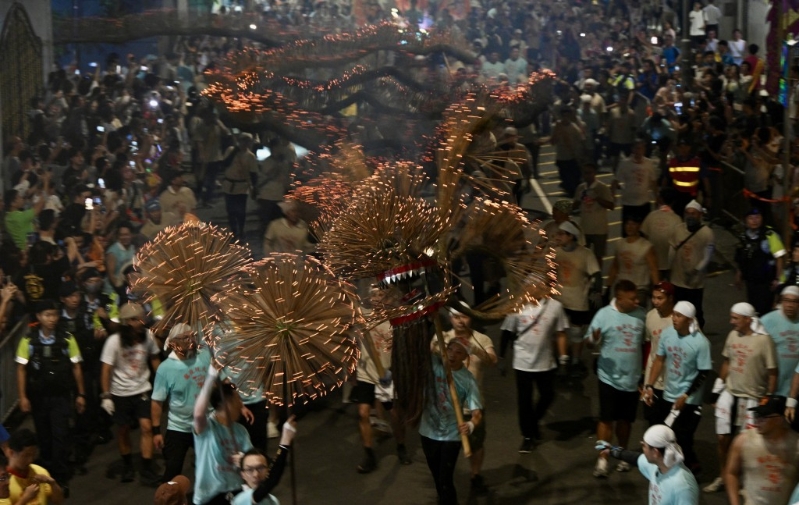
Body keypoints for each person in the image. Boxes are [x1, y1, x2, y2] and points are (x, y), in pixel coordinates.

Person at [704, 302, 778, 493]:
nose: (731, 322)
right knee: (722, 438)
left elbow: (772, 372)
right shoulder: (732, 335)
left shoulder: (764, 341)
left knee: (748, 442)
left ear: (748, 319)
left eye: (735, 318)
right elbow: (727, 362)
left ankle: (745, 481)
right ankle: (723, 475)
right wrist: (716, 389)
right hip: (730, 392)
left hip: (753, 396)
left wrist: (768, 397)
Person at [15, 299, 86, 491]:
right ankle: (44, 474)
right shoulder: (29, 341)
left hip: (61, 396)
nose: (51, 319)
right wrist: (23, 397)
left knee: (61, 436)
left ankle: (60, 477)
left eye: (54, 314)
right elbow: (21, 369)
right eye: (47, 315)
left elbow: (76, 367)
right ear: (38, 317)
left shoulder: (67, 339)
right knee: (44, 437)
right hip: (39, 398)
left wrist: (81, 394)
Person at [585, 280, 647, 478]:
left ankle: (622, 454)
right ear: (619, 298)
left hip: (632, 379)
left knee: (625, 421)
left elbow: (648, 344)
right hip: (608, 378)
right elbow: (588, 342)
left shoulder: (642, 315)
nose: (637, 301)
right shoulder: (603, 315)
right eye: (632, 298)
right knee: (605, 420)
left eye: (637, 297)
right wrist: (594, 339)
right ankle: (602, 459)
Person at [434, 305, 496, 493]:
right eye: (455, 317)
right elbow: (432, 353)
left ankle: (475, 475)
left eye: (464, 317)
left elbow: (492, 360)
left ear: (470, 318)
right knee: (444, 447)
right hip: (447, 403)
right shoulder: (443, 337)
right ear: (450, 319)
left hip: (473, 404)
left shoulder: (482, 338)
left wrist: (474, 349)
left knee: (476, 444)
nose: (460, 321)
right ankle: (444, 482)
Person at [644, 301, 712, 472]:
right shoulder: (667, 335)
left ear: (689, 320)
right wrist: (649, 386)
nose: (674, 318)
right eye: (674, 314)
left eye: (679, 316)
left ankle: (691, 466)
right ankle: (674, 468)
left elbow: (703, 372)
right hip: (669, 394)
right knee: (668, 435)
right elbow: (659, 360)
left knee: (684, 436)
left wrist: (686, 395)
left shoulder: (700, 342)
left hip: (690, 399)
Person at [100, 302, 162, 484]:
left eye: (141, 318)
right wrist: (106, 396)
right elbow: (106, 369)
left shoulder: (148, 337)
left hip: (142, 388)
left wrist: (163, 382)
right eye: (135, 319)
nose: (140, 322)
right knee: (123, 429)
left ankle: (147, 468)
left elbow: (155, 358)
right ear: (126, 322)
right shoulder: (114, 341)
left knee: (146, 427)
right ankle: (127, 466)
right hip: (120, 392)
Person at [351, 289, 410, 474]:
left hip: (385, 374)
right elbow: (347, 307)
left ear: (389, 298)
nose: (376, 299)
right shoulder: (362, 315)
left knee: (393, 413)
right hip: (365, 374)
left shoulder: (394, 321)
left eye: (380, 295)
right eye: (373, 295)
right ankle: (369, 454)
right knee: (363, 413)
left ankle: (401, 445)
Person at [499, 295, 568, 453]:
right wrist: (501, 357)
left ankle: (533, 422)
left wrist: (564, 358)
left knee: (548, 394)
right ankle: (528, 437)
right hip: (523, 362)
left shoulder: (555, 306)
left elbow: (561, 333)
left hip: (546, 361)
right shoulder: (517, 305)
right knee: (525, 401)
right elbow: (507, 332)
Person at [419, 337, 482, 505]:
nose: (453, 355)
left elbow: (477, 414)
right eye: (450, 350)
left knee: (445, 479)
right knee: (437, 477)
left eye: (458, 352)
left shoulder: (468, 379)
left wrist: (470, 425)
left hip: (451, 435)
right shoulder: (434, 364)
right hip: (428, 431)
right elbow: (418, 351)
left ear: (465, 357)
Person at [152, 323, 212, 482]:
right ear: (174, 343)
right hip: (179, 427)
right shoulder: (166, 368)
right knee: (172, 470)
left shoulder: (203, 356)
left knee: (210, 467)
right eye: (186, 338)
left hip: (205, 425)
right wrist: (156, 431)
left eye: (192, 336)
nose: (191, 340)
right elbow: (157, 401)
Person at [192, 364, 253, 505]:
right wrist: (211, 376)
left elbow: (251, 458)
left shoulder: (240, 430)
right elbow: (198, 413)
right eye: (238, 400)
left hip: (235, 490)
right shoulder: (207, 427)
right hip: (209, 495)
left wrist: (244, 460)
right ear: (226, 403)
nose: (241, 405)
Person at [725, 396, 799, 505]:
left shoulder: (796, 444)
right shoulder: (743, 440)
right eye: (756, 415)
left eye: (763, 417)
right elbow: (731, 473)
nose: (757, 420)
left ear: (779, 419)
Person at [600, 424, 699, 505]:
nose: (641, 447)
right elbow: (636, 458)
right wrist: (612, 450)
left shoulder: (683, 487)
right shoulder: (658, 465)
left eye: (644, 445)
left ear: (655, 452)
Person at [554, 221, 601, 375]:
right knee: (559, 330)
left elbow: (596, 274)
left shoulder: (586, 254)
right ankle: (561, 358)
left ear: (571, 236)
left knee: (576, 332)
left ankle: (575, 360)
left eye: (562, 234)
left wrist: (596, 292)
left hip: (577, 300)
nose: (558, 236)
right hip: (559, 298)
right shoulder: (556, 252)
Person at [669, 200, 714, 328]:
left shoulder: (707, 233)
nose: (690, 216)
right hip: (678, 279)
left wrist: (696, 270)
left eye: (693, 213)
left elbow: (708, 256)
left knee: (696, 311)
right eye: (688, 213)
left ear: (700, 215)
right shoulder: (678, 229)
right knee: (677, 309)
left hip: (695, 283)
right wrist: (669, 267)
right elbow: (672, 249)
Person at [233, 418, 297, 505]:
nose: (256, 475)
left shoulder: (273, 501)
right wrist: (285, 442)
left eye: (260, 468)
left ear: (268, 470)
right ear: (242, 475)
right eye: (249, 470)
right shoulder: (241, 500)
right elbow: (272, 480)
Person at [735, 207, 786, 316]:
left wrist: (778, 279)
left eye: (757, 217)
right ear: (746, 220)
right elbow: (741, 258)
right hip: (751, 281)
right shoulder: (743, 237)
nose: (754, 220)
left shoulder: (770, 235)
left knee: (765, 311)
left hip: (766, 283)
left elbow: (779, 258)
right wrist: (739, 275)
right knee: (753, 310)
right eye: (751, 218)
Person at [643, 281, 676, 424]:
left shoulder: (681, 319)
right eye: (653, 297)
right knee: (652, 419)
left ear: (670, 298)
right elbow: (648, 345)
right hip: (654, 377)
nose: (655, 302)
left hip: (673, 379)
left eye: (660, 298)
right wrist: (644, 372)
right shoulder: (650, 316)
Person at [607, 216, 660, 304]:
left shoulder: (646, 246)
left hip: (639, 289)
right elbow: (615, 266)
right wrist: (608, 285)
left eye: (633, 224)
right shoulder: (620, 244)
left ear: (639, 226)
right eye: (628, 224)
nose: (630, 227)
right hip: (622, 288)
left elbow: (653, 269)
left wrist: (656, 289)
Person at [6, 429, 65, 505]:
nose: (30, 460)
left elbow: (58, 501)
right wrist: (25, 499)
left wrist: (53, 483)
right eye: (26, 455)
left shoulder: (39, 471)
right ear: (11, 453)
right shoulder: (3, 483)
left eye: (33, 455)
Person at [762, 286, 799, 401]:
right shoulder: (767, 321)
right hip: (773, 386)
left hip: (795, 386)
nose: (789, 305)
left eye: (794, 301)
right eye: (786, 300)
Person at [573, 163, 614, 264]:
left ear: (595, 173)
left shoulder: (602, 188)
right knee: (583, 256)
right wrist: (579, 199)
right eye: (585, 173)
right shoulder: (580, 188)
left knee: (598, 257)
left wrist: (597, 198)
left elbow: (611, 205)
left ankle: (597, 278)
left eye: (589, 173)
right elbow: (574, 206)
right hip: (584, 228)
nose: (587, 175)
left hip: (599, 229)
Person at [221, 133, 258, 240]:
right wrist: (235, 152)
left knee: (241, 211)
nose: (245, 144)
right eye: (243, 141)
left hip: (242, 186)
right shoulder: (230, 150)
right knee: (230, 210)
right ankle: (234, 231)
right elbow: (225, 164)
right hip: (229, 185)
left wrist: (254, 187)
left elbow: (253, 173)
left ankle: (241, 231)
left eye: (247, 141)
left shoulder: (250, 156)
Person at [613, 139, 657, 228]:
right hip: (629, 203)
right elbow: (615, 181)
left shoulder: (649, 163)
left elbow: (653, 182)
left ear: (644, 150)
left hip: (644, 203)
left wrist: (657, 198)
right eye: (636, 148)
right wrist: (613, 196)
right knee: (628, 229)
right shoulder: (625, 164)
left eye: (641, 148)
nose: (638, 151)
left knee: (644, 230)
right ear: (632, 149)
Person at [642, 190, 683, 280]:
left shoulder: (651, 216)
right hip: (669, 264)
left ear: (660, 200)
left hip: (653, 263)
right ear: (673, 202)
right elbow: (679, 242)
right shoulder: (677, 219)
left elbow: (644, 239)